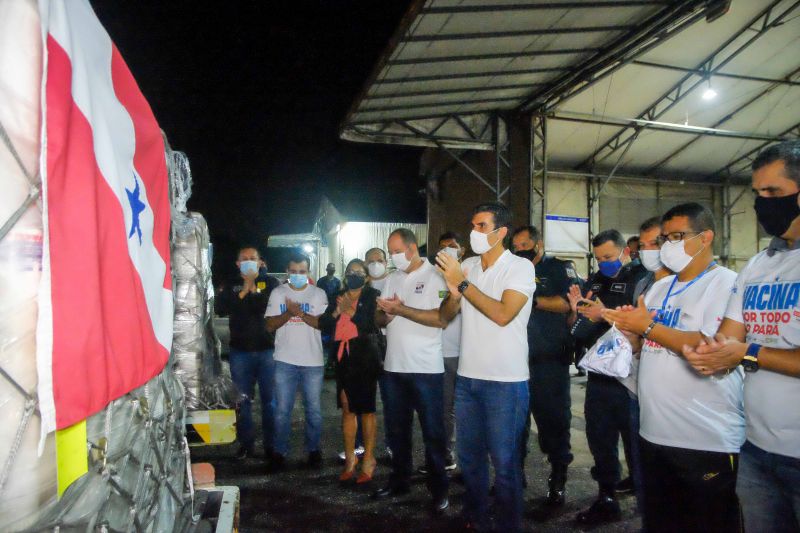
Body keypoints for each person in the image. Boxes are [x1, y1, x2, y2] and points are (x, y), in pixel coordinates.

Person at [681, 141, 800, 532]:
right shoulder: (758, 265)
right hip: (756, 449)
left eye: (774, 192)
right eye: (758, 193)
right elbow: (728, 340)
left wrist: (744, 353)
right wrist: (709, 354)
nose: (762, 203)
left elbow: (742, 349)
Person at [604, 203, 744, 532]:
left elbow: (713, 346)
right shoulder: (659, 288)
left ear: (706, 237)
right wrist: (632, 335)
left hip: (704, 439)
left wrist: (649, 328)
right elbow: (647, 345)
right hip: (654, 435)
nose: (669, 246)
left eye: (678, 236)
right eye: (665, 238)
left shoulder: (726, 283)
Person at [438, 202, 536, 532]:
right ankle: (475, 518)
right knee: (470, 460)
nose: (474, 232)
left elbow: (502, 314)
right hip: (468, 379)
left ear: (501, 232)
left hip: (505, 383)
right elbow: (447, 315)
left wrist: (462, 285)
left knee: (505, 465)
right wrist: (453, 293)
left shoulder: (519, 268)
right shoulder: (466, 265)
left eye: (481, 226)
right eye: (473, 225)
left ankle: (508, 525)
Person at [567, 229, 646, 526]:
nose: (604, 263)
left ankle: (643, 495)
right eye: (599, 258)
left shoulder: (641, 279)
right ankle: (606, 496)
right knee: (600, 437)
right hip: (601, 375)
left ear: (625, 252)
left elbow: (641, 323)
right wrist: (579, 312)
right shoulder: (595, 281)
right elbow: (582, 327)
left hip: (632, 377)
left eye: (610, 257)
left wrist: (604, 314)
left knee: (636, 439)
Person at [372, 228, 450, 515]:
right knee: (397, 431)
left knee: (433, 433)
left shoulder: (435, 276)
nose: (393, 257)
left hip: (426, 369)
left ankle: (439, 489)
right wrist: (386, 313)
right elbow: (379, 317)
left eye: (396, 251)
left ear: (412, 247)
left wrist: (401, 310)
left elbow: (441, 319)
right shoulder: (392, 278)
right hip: (394, 367)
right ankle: (399, 480)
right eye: (390, 252)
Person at [511, 225, 578, 521]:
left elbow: (568, 303)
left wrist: (531, 299)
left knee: (553, 423)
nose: (521, 248)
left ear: (539, 243)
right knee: (515, 425)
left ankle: (558, 479)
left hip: (550, 362)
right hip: (515, 362)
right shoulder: (513, 269)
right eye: (517, 245)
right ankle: (514, 477)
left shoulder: (559, 268)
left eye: (526, 243)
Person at [618, 216, 672, 515]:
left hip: (680, 403)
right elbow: (641, 342)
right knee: (646, 478)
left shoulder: (707, 284)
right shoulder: (643, 283)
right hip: (640, 390)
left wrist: (646, 330)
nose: (649, 250)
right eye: (644, 245)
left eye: (657, 243)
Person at [319, 259, 382, 484]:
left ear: (366, 277)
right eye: (349, 271)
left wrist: (351, 312)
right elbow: (324, 324)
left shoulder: (372, 296)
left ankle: (369, 460)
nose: (353, 275)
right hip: (343, 358)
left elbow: (368, 325)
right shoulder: (338, 294)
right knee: (347, 407)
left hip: (365, 358)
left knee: (365, 409)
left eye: (358, 272)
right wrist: (337, 311)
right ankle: (351, 461)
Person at [265, 253, 329, 470]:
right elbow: (270, 326)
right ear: (287, 272)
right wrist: (288, 313)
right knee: (282, 410)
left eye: (302, 272)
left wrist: (299, 313)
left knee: (314, 410)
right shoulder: (278, 293)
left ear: (308, 272)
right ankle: (279, 452)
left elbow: (323, 325)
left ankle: (313, 450)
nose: (298, 275)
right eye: (293, 272)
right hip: (284, 360)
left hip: (313, 361)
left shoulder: (319, 294)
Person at [216, 246, 280, 459]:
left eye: (253, 258)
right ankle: (246, 443)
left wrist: (253, 290)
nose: (249, 261)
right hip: (240, 352)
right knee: (242, 401)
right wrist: (244, 289)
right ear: (237, 263)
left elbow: (268, 306)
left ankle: (271, 445)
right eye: (244, 259)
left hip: (267, 351)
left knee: (270, 401)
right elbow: (221, 308)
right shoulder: (231, 283)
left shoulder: (271, 283)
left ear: (261, 262)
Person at [426, 232, 464, 473]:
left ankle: (471, 464)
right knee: (444, 409)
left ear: (462, 250)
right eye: (443, 248)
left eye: (452, 246)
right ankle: (446, 456)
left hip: (467, 353)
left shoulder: (470, 273)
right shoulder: (431, 276)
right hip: (439, 353)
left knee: (467, 410)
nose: (448, 250)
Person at [365, 246, 392, 458]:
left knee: (391, 399)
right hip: (365, 346)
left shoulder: (395, 281)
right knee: (363, 400)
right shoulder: (361, 284)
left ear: (386, 260)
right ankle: (362, 447)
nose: (375, 263)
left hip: (389, 344)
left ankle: (392, 446)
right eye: (371, 260)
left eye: (379, 259)